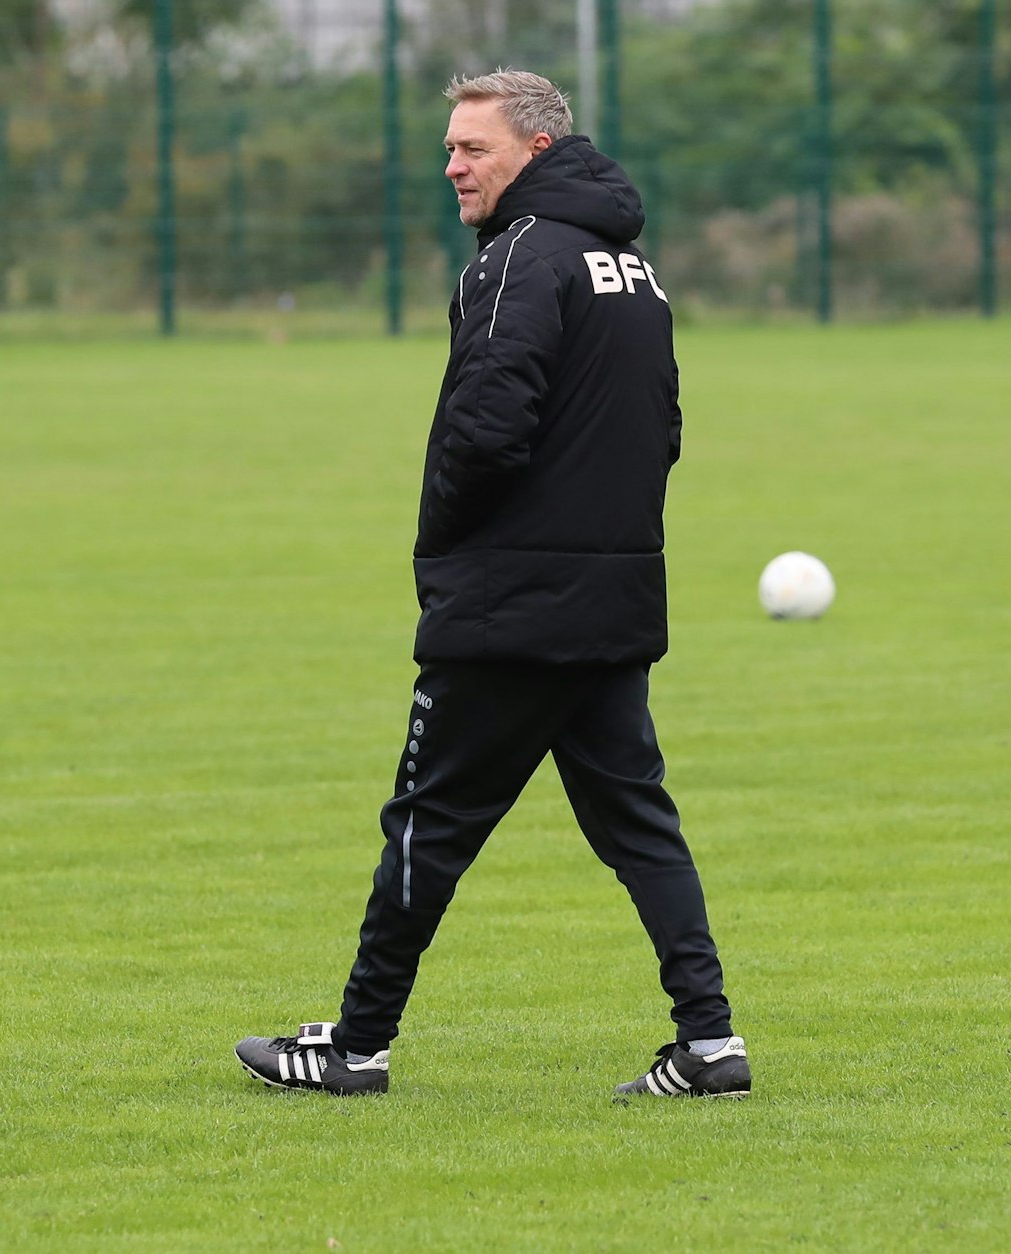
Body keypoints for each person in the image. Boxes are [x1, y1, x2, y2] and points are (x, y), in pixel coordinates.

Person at [235, 70, 748, 1101]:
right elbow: (664, 430)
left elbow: (484, 429)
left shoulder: (518, 257)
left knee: (426, 826)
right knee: (638, 826)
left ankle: (354, 1049)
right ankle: (708, 1041)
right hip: (610, 598)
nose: (452, 167)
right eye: (449, 147)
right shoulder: (631, 269)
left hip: (508, 605)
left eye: (473, 148)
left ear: (537, 151)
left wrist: (446, 550)